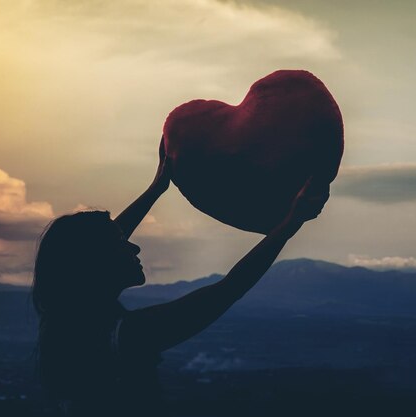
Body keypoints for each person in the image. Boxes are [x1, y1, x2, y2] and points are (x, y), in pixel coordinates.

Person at [31, 140, 329, 416]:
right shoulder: (124, 337)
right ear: (97, 266)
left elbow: (93, 252)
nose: (134, 245)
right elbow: (228, 289)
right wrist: (291, 223)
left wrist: (156, 188)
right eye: (121, 243)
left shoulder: (66, 321)